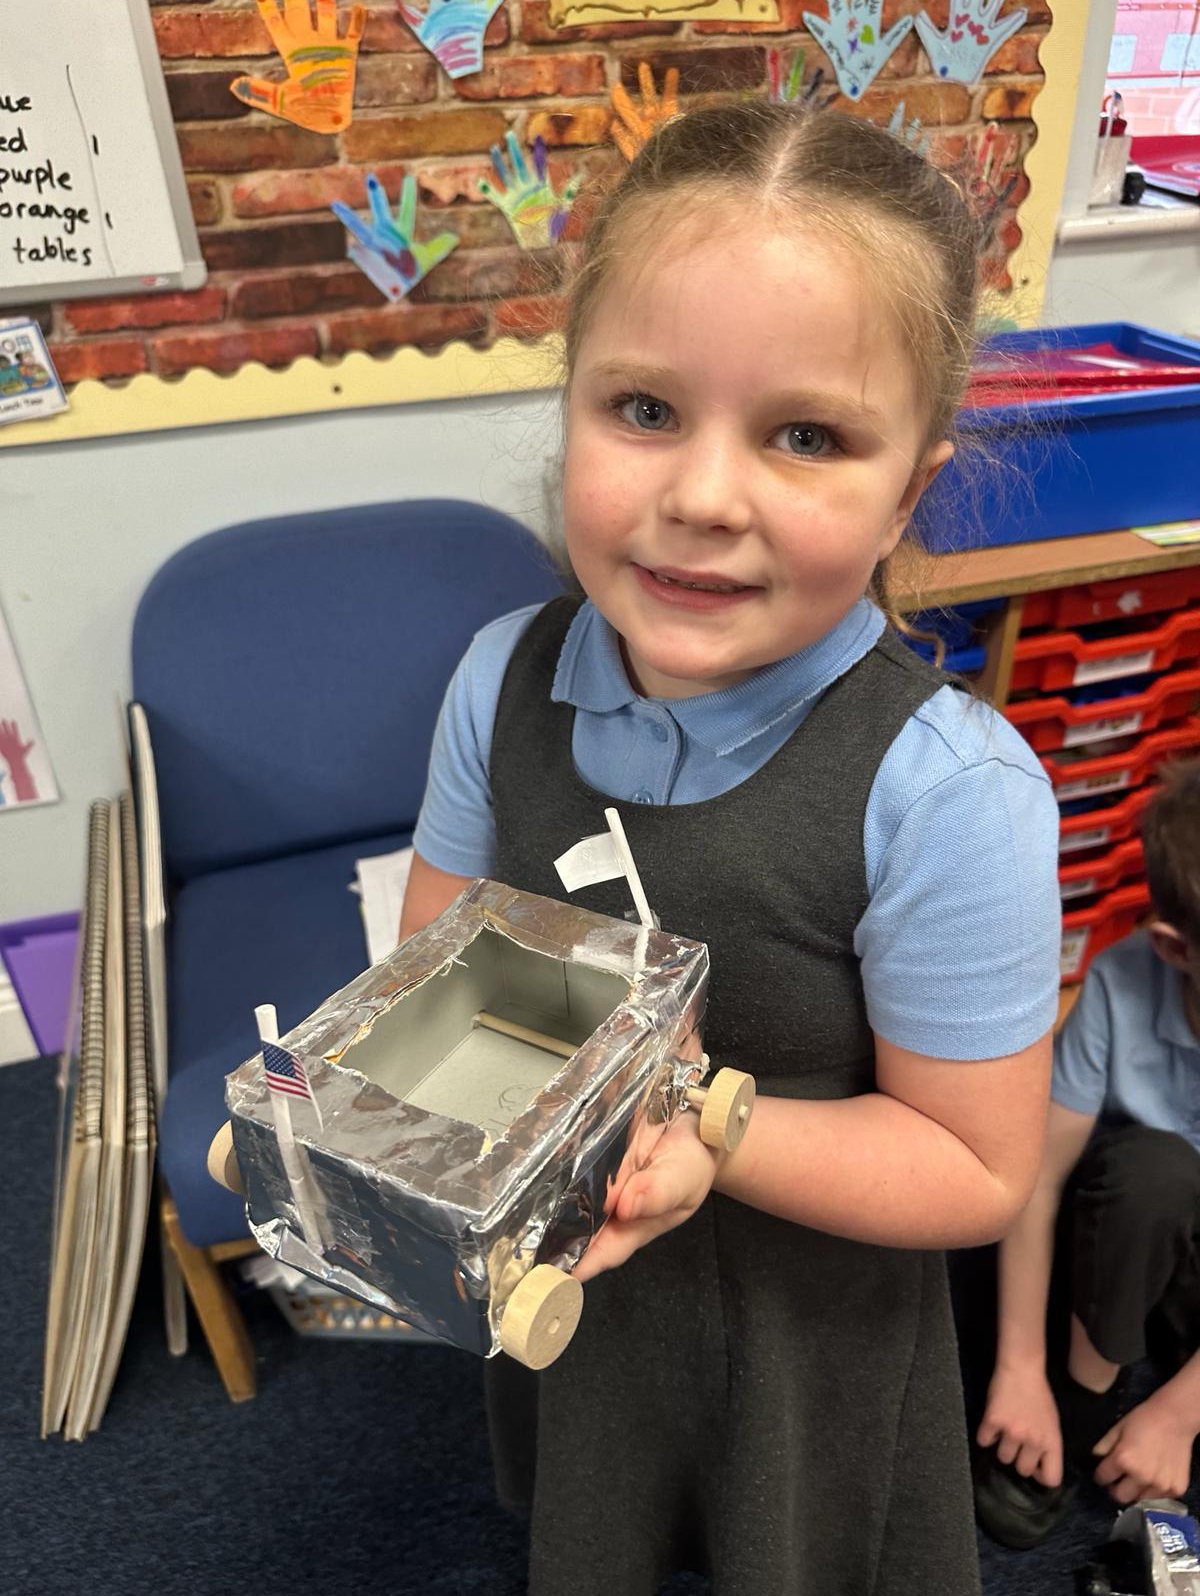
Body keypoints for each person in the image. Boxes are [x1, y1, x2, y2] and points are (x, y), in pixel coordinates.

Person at [399, 100, 1061, 1595]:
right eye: (643, 409)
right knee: (603, 1526)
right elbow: (437, 971)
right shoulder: (499, 677)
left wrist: (704, 1121)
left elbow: (975, 1168)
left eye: (806, 436)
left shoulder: (951, 792)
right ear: (570, 401)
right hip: (585, 1280)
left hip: (804, 1332)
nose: (702, 499)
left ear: (909, 489)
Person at [975, 759, 1200, 1548]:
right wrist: (1020, 1371)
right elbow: (1033, 1181)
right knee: (1151, 1174)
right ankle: (1085, 1400)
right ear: (1174, 949)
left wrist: (1181, 1412)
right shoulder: (1118, 982)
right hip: (1145, 1219)